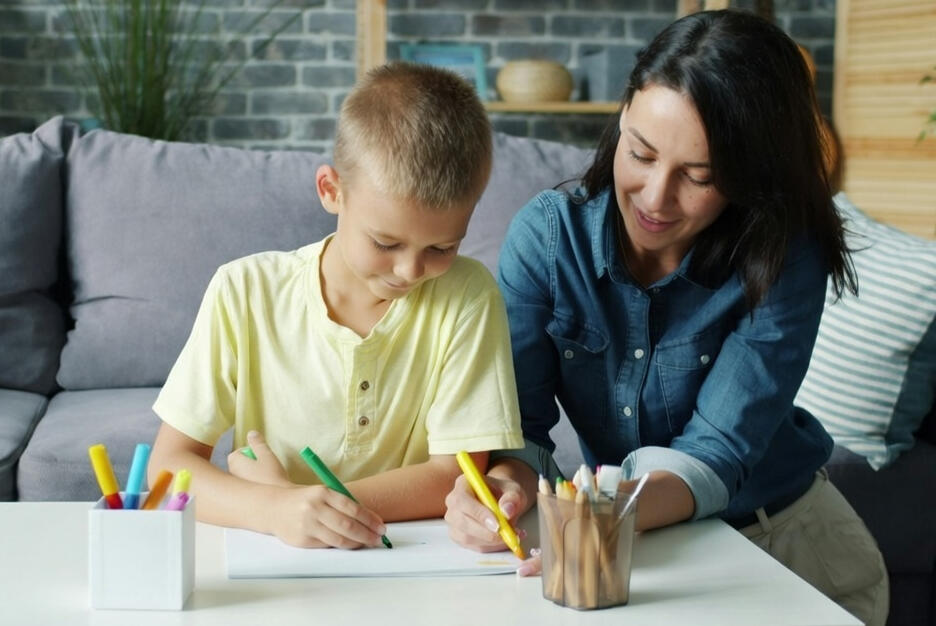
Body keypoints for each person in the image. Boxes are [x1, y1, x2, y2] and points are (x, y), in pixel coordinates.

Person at [444, 10, 888, 625]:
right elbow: (519, 421)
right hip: (631, 539)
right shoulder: (548, 238)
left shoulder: (784, 253)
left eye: (698, 177)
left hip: (784, 544)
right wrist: (507, 483)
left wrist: (596, 514)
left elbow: (716, 449)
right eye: (641, 153)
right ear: (623, 117)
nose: (655, 199)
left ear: (749, 175)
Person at [148, 62, 523, 550]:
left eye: (441, 248)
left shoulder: (468, 295)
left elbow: (456, 475)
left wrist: (297, 498)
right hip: (276, 561)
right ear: (331, 190)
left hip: (407, 565)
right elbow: (168, 469)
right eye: (385, 242)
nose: (410, 271)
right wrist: (274, 509)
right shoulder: (243, 290)